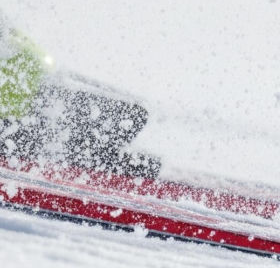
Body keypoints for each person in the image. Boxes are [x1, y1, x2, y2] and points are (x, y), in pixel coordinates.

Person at [0, 16, 160, 178]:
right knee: (124, 118)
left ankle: (130, 169)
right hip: (22, 126)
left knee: (130, 115)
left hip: (34, 114)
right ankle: (125, 169)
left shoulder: (12, 39)